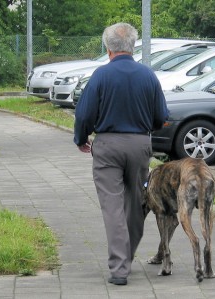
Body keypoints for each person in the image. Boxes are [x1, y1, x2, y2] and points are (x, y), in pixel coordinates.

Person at [74, 22, 168, 286]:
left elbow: (84, 114)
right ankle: (126, 256)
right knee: (136, 203)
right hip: (140, 145)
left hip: (107, 146)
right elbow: (161, 116)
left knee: (112, 207)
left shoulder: (101, 75)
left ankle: (119, 269)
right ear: (133, 46)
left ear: (108, 49)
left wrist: (81, 138)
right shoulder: (148, 75)